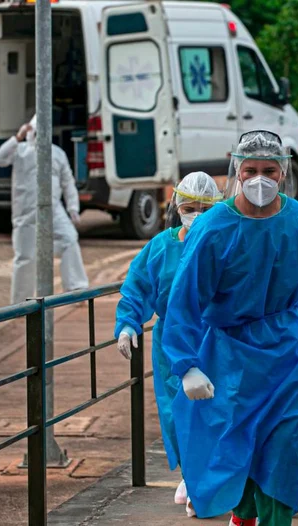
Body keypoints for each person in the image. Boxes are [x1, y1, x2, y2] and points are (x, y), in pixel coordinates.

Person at [162, 130, 298, 526]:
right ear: (237, 172)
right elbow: (185, 300)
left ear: (284, 172)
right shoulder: (214, 229)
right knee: (241, 440)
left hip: (289, 349)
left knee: (283, 444)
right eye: (251, 170)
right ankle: (245, 513)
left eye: (269, 170)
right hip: (233, 352)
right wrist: (186, 364)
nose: (260, 179)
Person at [114, 171, 221, 509]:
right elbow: (138, 287)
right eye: (190, 206)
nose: (197, 213)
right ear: (176, 204)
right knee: (179, 412)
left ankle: (211, 480)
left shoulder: (225, 244)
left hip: (218, 339)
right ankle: (193, 477)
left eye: (206, 207)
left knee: (219, 411)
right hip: (172, 342)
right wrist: (128, 324)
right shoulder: (161, 247)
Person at [0, 115, 88, 304]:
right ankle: (21, 302)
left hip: (53, 209)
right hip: (25, 212)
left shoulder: (57, 153)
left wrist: (72, 206)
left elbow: (67, 181)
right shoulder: (19, 151)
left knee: (69, 239)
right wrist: (17, 137)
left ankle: (76, 289)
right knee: (25, 256)